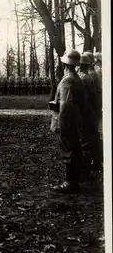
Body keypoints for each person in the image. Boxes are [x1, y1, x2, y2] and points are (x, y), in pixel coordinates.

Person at [49, 49, 85, 194]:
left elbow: (65, 104)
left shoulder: (67, 80)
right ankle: (74, 180)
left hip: (67, 120)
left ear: (65, 64)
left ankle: (70, 183)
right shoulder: (77, 78)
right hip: (75, 118)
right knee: (75, 148)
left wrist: (61, 123)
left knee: (69, 149)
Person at [78, 53, 102, 178]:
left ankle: (85, 170)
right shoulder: (92, 76)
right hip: (93, 111)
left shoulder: (85, 78)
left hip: (87, 113)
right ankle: (95, 164)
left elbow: (85, 99)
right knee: (93, 138)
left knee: (86, 140)